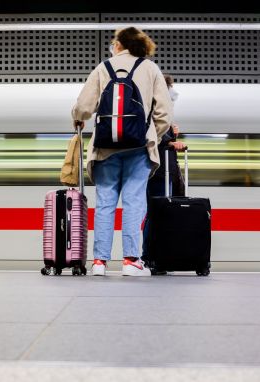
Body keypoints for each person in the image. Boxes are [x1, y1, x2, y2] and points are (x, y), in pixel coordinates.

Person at [71, 27, 173, 277]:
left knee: (105, 203)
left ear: (119, 44)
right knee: (134, 202)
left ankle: (99, 263)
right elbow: (164, 115)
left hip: (105, 148)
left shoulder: (103, 67)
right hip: (139, 149)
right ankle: (131, 261)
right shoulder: (150, 69)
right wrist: (151, 136)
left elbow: (83, 108)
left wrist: (79, 119)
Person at [141, 75, 187, 269]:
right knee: (156, 214)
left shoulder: (159, 113)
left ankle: (155, 255)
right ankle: (150, 256)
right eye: (170, 88)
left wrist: (172, 136)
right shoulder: (152, 112)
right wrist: (170, 142)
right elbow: (150, 140)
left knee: (156, 214)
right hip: (158, 172)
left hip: (163, 171)